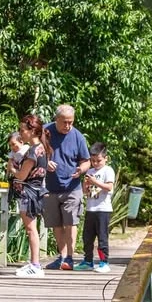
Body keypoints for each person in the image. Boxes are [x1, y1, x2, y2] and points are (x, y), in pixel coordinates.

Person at [42, 104, 91, 270]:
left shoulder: (78, 136)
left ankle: (70, 257)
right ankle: (61, 256)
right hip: (49, 188)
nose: (68, 125)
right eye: (64, 122)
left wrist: (81, 169)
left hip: (72, 187)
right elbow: (33, 153)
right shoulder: (44, 132)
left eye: (71, 122)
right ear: (56, 119)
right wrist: (45, 163)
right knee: (56, 224)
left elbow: (86, 160)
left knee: (71, 222)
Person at [12, 115, 51, 278]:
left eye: (23, 130)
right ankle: (34, 264)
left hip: (28, 193)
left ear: (32, 131)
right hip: (36, 192)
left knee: (30, 229)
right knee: (32, 228)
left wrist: (14, 172)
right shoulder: (42, 148)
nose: (21, 134)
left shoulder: (32, 152)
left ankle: (35, 265)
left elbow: (22, 175)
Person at [75, 142, 115, 273]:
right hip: (91, 209)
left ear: (105, 158)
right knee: (87, 237)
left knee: (102, 237)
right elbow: (85, 192)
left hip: (103, 209)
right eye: (93, 161)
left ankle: (104, 262)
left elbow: (109, 187)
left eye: (99, 160)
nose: (96, 163)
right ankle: (88, 261)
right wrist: (86, 185)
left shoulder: (108, 170)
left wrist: (95, 181)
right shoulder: (90, 171)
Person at [5, 130, 28, 202]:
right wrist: (8, 174)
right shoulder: (12, 153)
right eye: (10, 145)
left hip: (27, 177)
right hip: (18, 178)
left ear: (21, 142)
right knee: (21, 201)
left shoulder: (26, 149)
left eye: (13, 144)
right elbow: (9, 163)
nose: (12, 147)